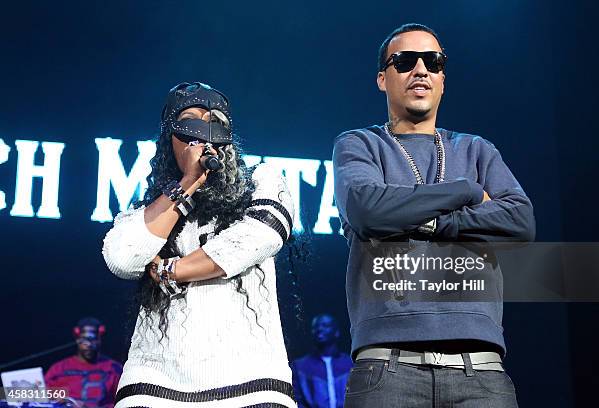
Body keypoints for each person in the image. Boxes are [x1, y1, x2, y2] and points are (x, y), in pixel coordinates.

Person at [332, 24, 536, 407]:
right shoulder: (359, 144)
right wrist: (468, 191)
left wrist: (437, 222)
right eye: (406, 61)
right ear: (382, 78)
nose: (421, 69)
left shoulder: (477, 149)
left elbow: (520, 222)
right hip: (386, 369)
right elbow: (366, 211)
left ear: (442, 78)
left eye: (434, 61)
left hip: (481, 371)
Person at [102, 82, 296, 407]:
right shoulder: (144, 211)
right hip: (153, 388)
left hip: (251, 387)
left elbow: (262, 234)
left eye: (215, 120)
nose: (203, 131)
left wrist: (171, 271)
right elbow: (123, 259)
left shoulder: (262, 181)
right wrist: (187, 183)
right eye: (189, 119)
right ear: (170, 137)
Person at [44, 317, 122, 408]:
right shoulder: (59, 369)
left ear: (100, 339)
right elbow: (38, 396)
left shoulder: (113, 368)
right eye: (84, 339)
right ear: (77, 339)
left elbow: (123, 401)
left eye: (93, 339)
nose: (88, 345)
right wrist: (61, 400)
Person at [291, 314, 353, 408]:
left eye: (325, 325)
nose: (319, 329)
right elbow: (297, 400)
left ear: (336, 332)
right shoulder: (299, 366)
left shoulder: (350, 364)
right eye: (315, 327)